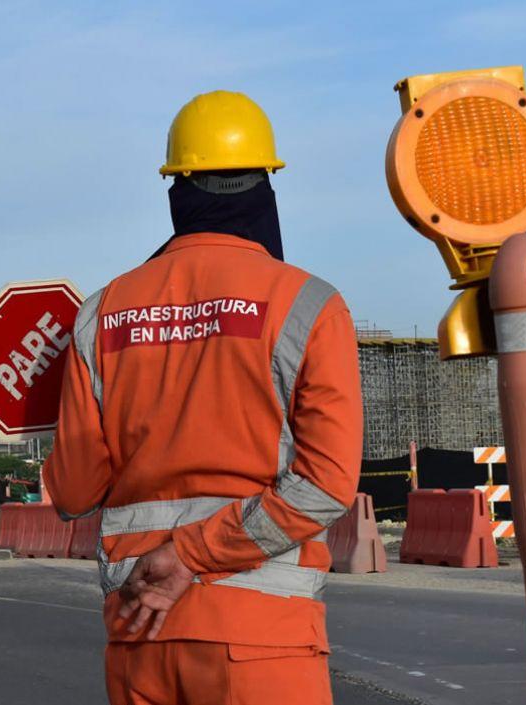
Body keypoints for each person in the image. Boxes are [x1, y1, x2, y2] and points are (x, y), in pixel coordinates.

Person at [42, 91, 362, 704]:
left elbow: (76, 491)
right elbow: (325, 484)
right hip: (264, 634)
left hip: (142, 638)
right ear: (266, 186)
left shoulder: (102, 313)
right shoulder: (310, 305)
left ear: (177, 190)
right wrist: (192, 556)